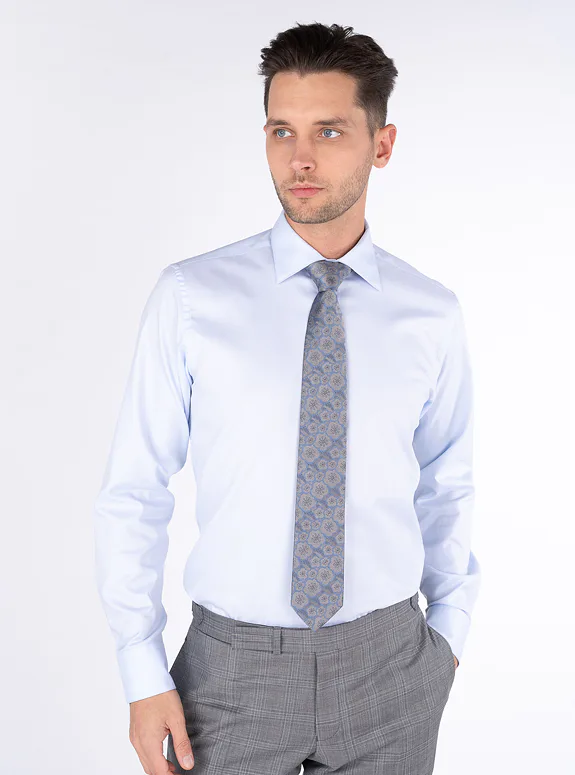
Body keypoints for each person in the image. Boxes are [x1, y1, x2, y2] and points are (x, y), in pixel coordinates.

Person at [93, 21, 481, 775]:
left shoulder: (430, 313)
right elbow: (134, 488)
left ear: (381, 145)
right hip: (230, 675)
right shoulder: (190, 296)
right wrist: (141, 669)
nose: (299, 158)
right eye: (281, 131)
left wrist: (450, 634)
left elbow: (447, 482)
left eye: (329, 131)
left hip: (391, 670)